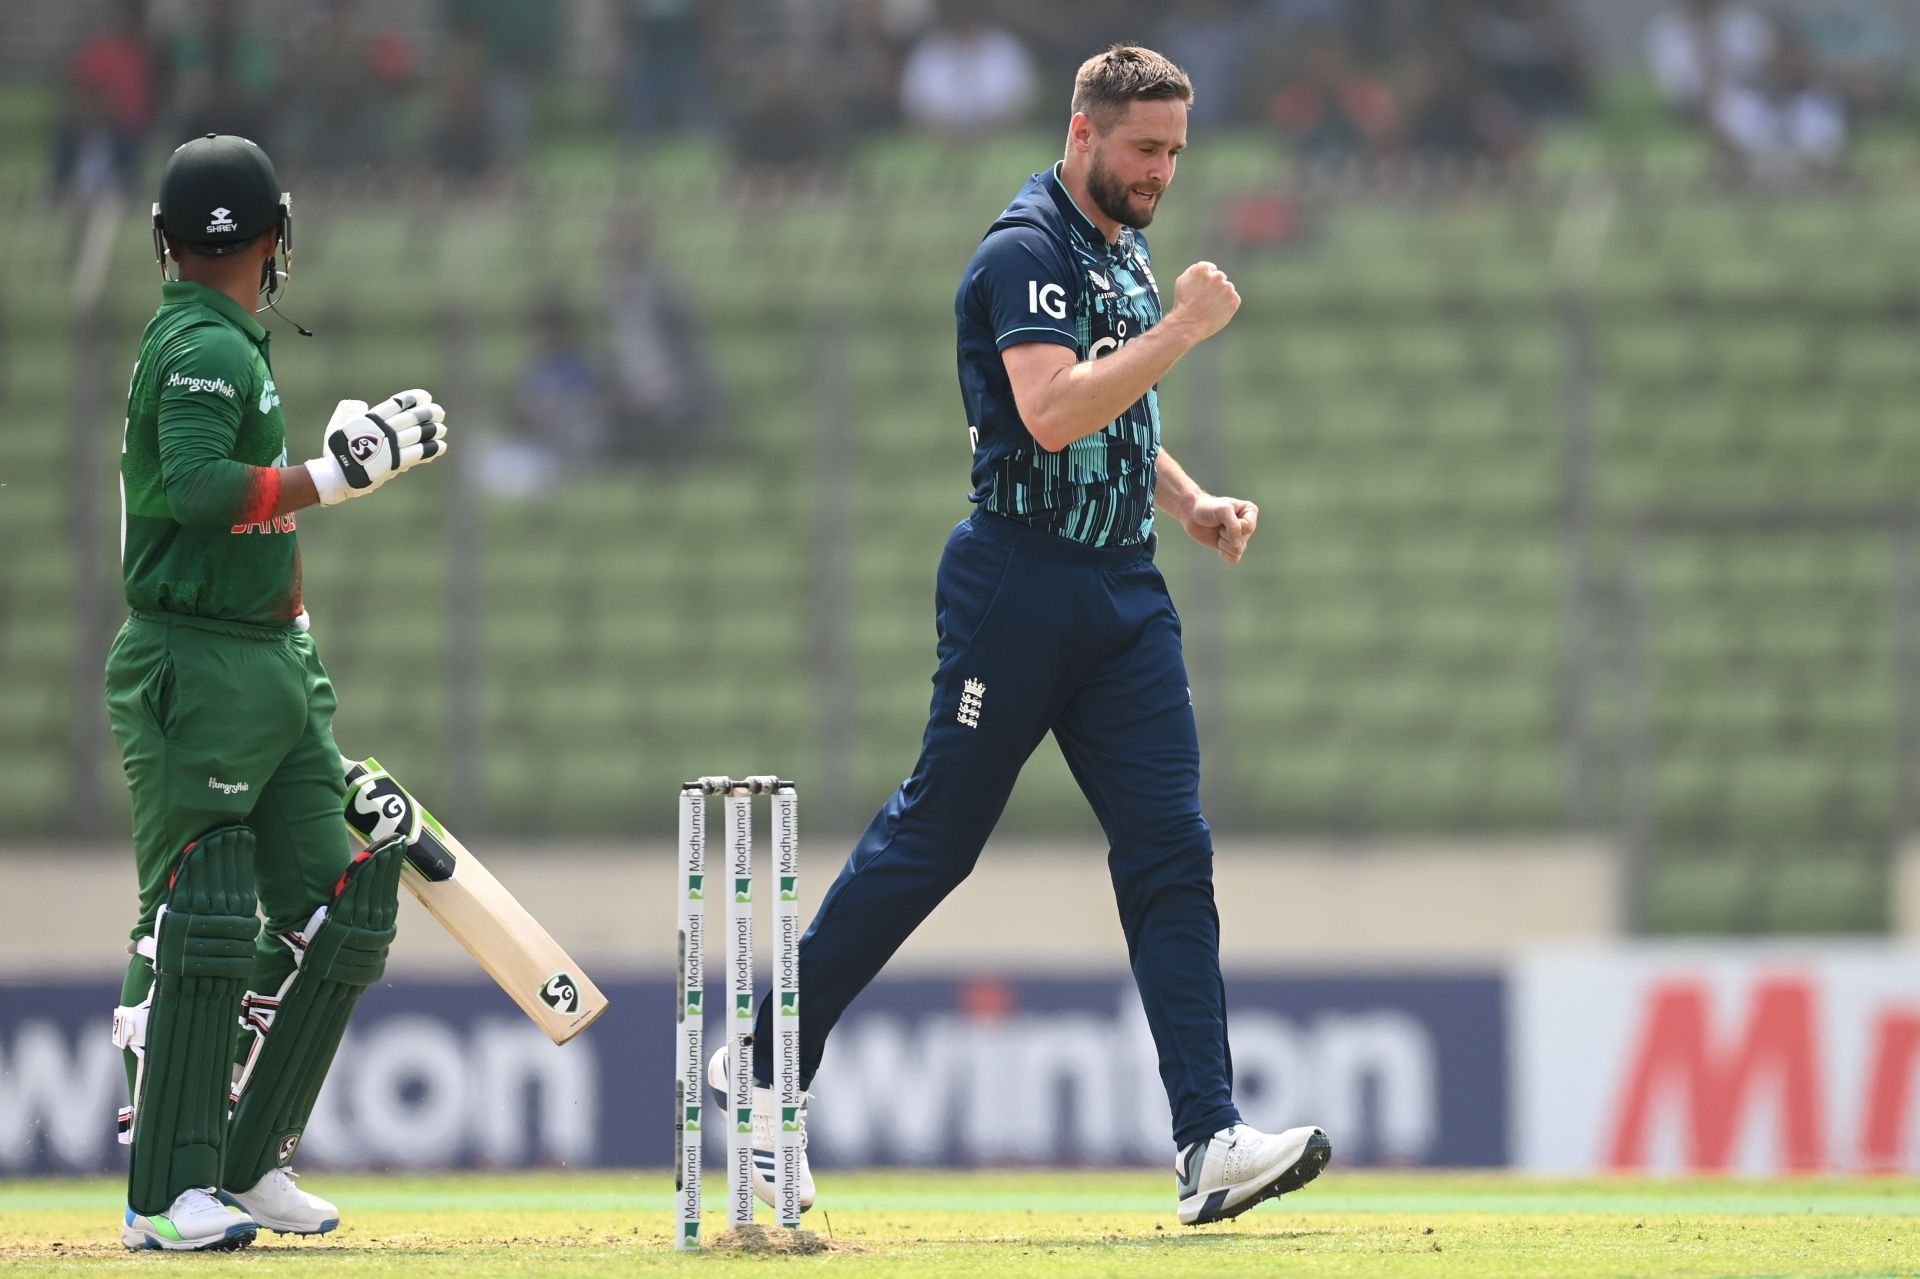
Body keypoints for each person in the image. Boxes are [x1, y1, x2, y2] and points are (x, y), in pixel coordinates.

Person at [718, 44, 1331, 1227]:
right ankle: (761, 1065)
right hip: (1018, 583)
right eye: (1146, 149)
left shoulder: (1117, 247)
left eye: (1175, 153)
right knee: (935, 840)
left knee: (1171, 851)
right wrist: (1186, 333)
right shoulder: (1026, 249)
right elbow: (1051, 412)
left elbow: (1110, 408)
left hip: (1124, 590)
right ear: (1083, 132)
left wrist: (1189, 501)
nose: (1162, 172)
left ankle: (1206, 1137)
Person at [107, 134, 451, 1251]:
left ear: (166, 240)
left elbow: (240, 500)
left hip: (269, 658)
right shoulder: (198, 347)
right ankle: (165, 1191)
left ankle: (250, 1163)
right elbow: (207, 490)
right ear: (276, 240)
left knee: (347, 904)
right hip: (193, 656)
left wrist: (331, 466)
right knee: (198, 911)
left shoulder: (220, 343)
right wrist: (340, 473)